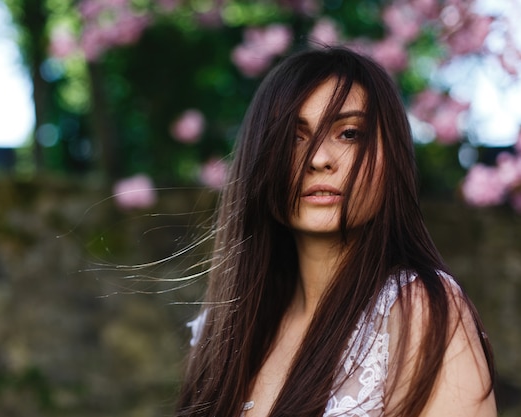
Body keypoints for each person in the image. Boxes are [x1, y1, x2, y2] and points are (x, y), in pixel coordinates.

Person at [175, 47, 496, 417]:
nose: (318, 158)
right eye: (294, 137)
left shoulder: (420, 309)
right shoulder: (227, 327)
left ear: (391, 158)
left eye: (348, 133)